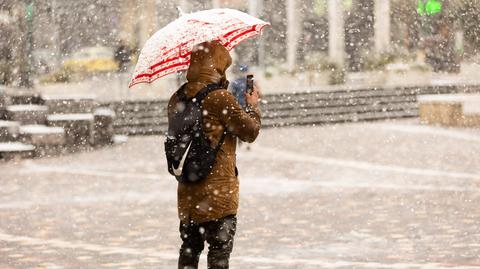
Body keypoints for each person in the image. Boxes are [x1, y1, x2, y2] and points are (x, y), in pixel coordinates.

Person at [167, 41, 261, 269]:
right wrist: (253, 106)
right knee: (219, 253)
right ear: (217, 67)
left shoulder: (177, 98)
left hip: (188, 191)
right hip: (218, 193)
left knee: (189, 251)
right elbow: (249, 131)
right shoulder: (219, 98)